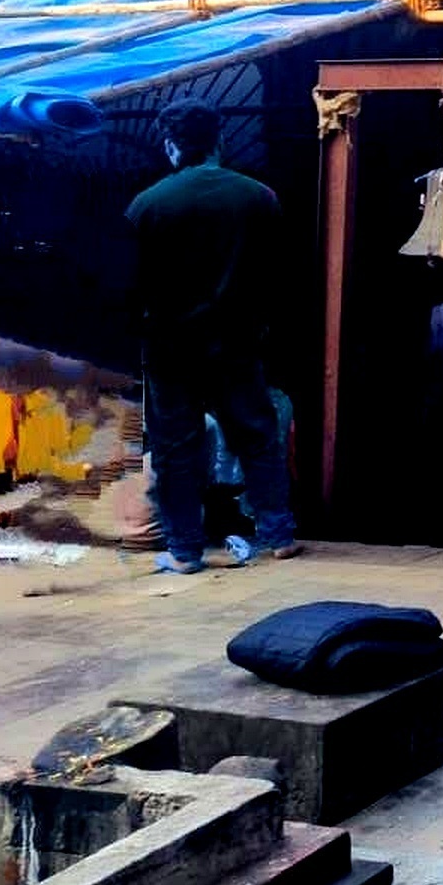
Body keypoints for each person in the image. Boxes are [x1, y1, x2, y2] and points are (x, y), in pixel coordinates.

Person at [124, 99, 299, 574]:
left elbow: (129, 286)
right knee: (257, 435)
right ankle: (279, 535)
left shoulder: (146, 205)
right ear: (219, 140)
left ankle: (185, 551)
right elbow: (279, 273)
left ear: (170, 145)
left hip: (169, 348)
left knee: (176, 448)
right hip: (238, 340)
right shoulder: (259, 197)